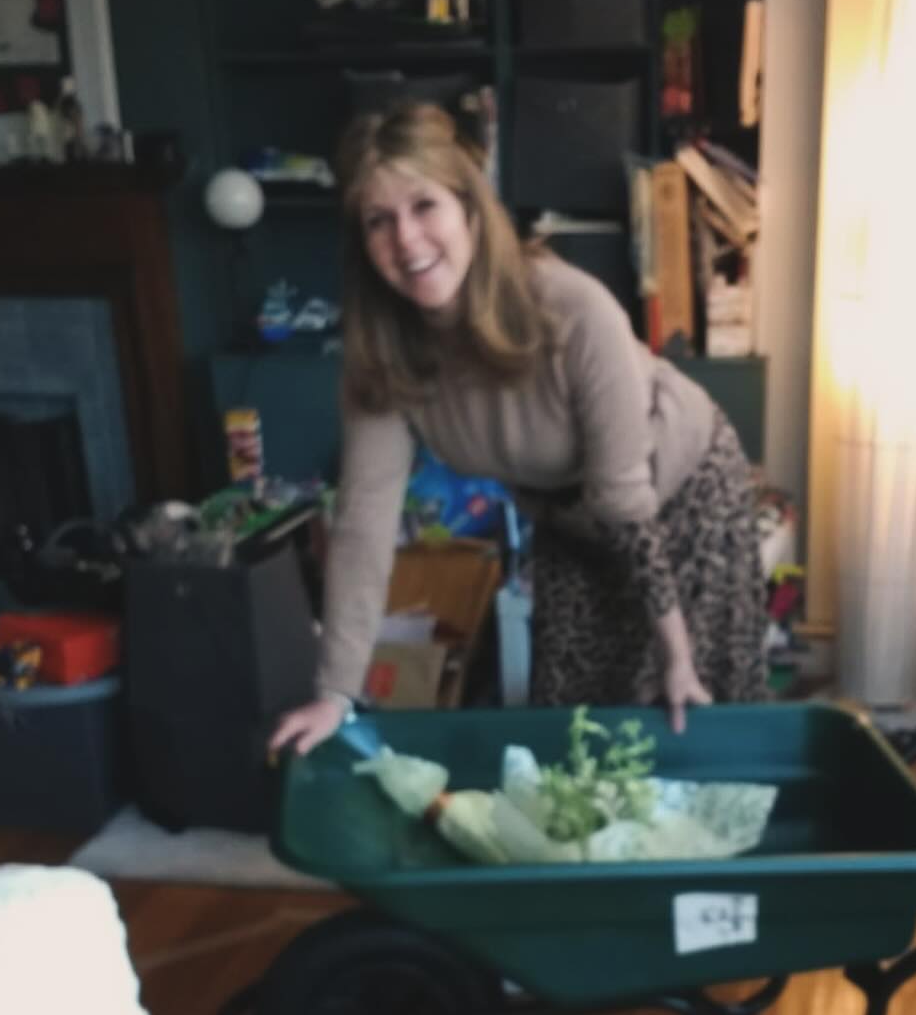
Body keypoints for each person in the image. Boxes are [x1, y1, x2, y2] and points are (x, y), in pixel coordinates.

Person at [271, 101, 766, 759]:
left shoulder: (572, 308)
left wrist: (678, 654)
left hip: (679, 496)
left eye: (424, 207)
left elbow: (623, 499)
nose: (407, 241)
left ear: (469, 208)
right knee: (568, 726)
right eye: (379, 221)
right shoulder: (383, 354)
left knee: (678, 723)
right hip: (570, 518)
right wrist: (335, 692)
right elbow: (364, 522)